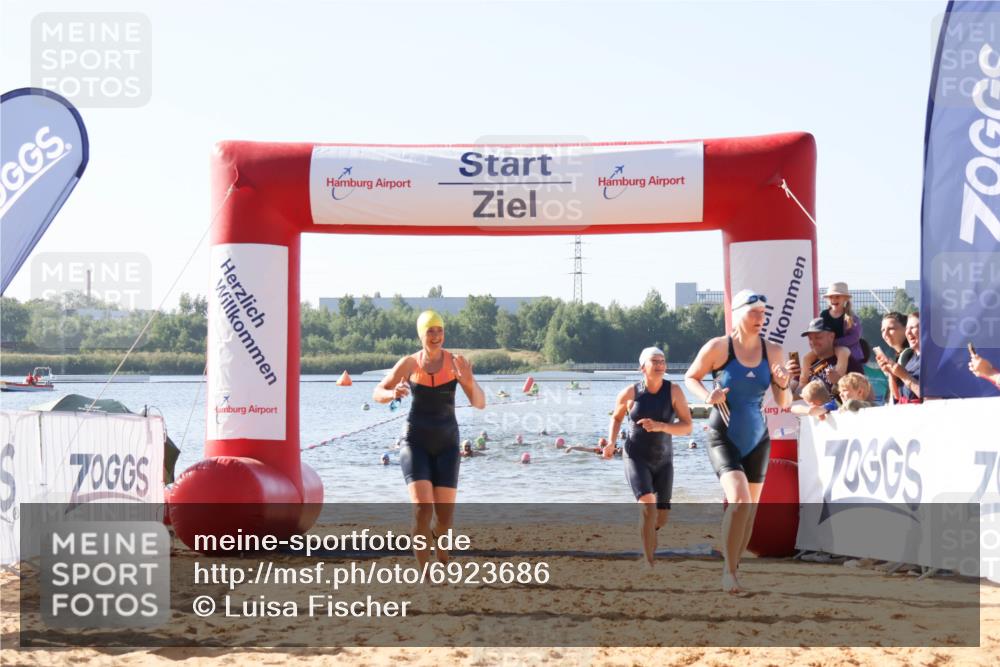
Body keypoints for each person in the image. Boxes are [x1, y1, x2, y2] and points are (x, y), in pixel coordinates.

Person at [685, 289, 792, 593]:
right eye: (754, 313)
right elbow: (691, 377)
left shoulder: (773, 351)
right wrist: (708, 396)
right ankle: (729, 573)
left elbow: (784, 402)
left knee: (750, 510)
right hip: (723, 435)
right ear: (739, 314)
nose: (761, 318)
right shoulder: (720, 347)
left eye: (764, 313)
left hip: (758, 438)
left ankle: (734, 566)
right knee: (739, 500)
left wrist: (783, 384)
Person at [373, 310, 486, 568]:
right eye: (430, 331)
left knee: (444, 520)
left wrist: (468, 382)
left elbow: (479, 403)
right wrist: (392, 395)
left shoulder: (457, 363)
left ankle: (441, 547)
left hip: (447, 443)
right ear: (421, 335)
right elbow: (377, 392)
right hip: (415, 441)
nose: (436, 336)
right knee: (422, 510)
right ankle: (424, 574)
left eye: (439, 330)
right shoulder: (409, 364)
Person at [610, 346, 693, 568]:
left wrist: (661, 426)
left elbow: (687, 427)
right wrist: (611, 442)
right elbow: (617, 418)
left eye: (663, 361)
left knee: (661, 517)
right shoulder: (630, 393)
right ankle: (648, 561)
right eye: (654, 361)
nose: (660, 365)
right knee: (648, 506)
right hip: (636, 456)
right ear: (642, 367)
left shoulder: (674, 391)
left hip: (664, 460)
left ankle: (647, 529)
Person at [790, 318, 854, 398]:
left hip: (835, 409)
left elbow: (866, 396)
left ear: (831, 336)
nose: (813, 342)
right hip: (809, 408)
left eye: (818, 337)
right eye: (810, 338)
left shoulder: (849, 361)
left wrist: (838, 382)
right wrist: (786, 378)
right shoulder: (808, 362)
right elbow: (792, 396)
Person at [876, 311, 921, 403]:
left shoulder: (908, 355)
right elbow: (897, 397)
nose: (885, 334)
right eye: (883, 330)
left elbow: (929, 396)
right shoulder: (909, 357)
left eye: (891, 329)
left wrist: (903, 375)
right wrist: (891, 373)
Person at [821, 282, 865, 367]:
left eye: (837, 297)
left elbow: (854, 337)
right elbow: (820, 331)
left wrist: (834, 343)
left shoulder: (851, 317)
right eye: (831, 297)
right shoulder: (824, 315)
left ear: (845, 299)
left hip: (850, 357)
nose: (833, 300)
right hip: (830, 355)